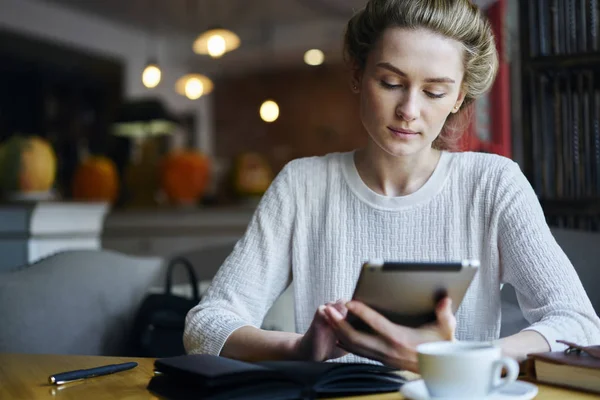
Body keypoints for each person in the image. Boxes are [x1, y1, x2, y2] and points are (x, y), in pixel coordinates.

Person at [184, 0, 600, 372]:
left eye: (435, 91)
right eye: (390, 83)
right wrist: (299, 348)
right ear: (357, 74)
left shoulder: (493, 184)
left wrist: (454, 359)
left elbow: (580, 324)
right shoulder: (302, 185)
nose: (409, 111)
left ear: (458, 98)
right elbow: (205, 326)